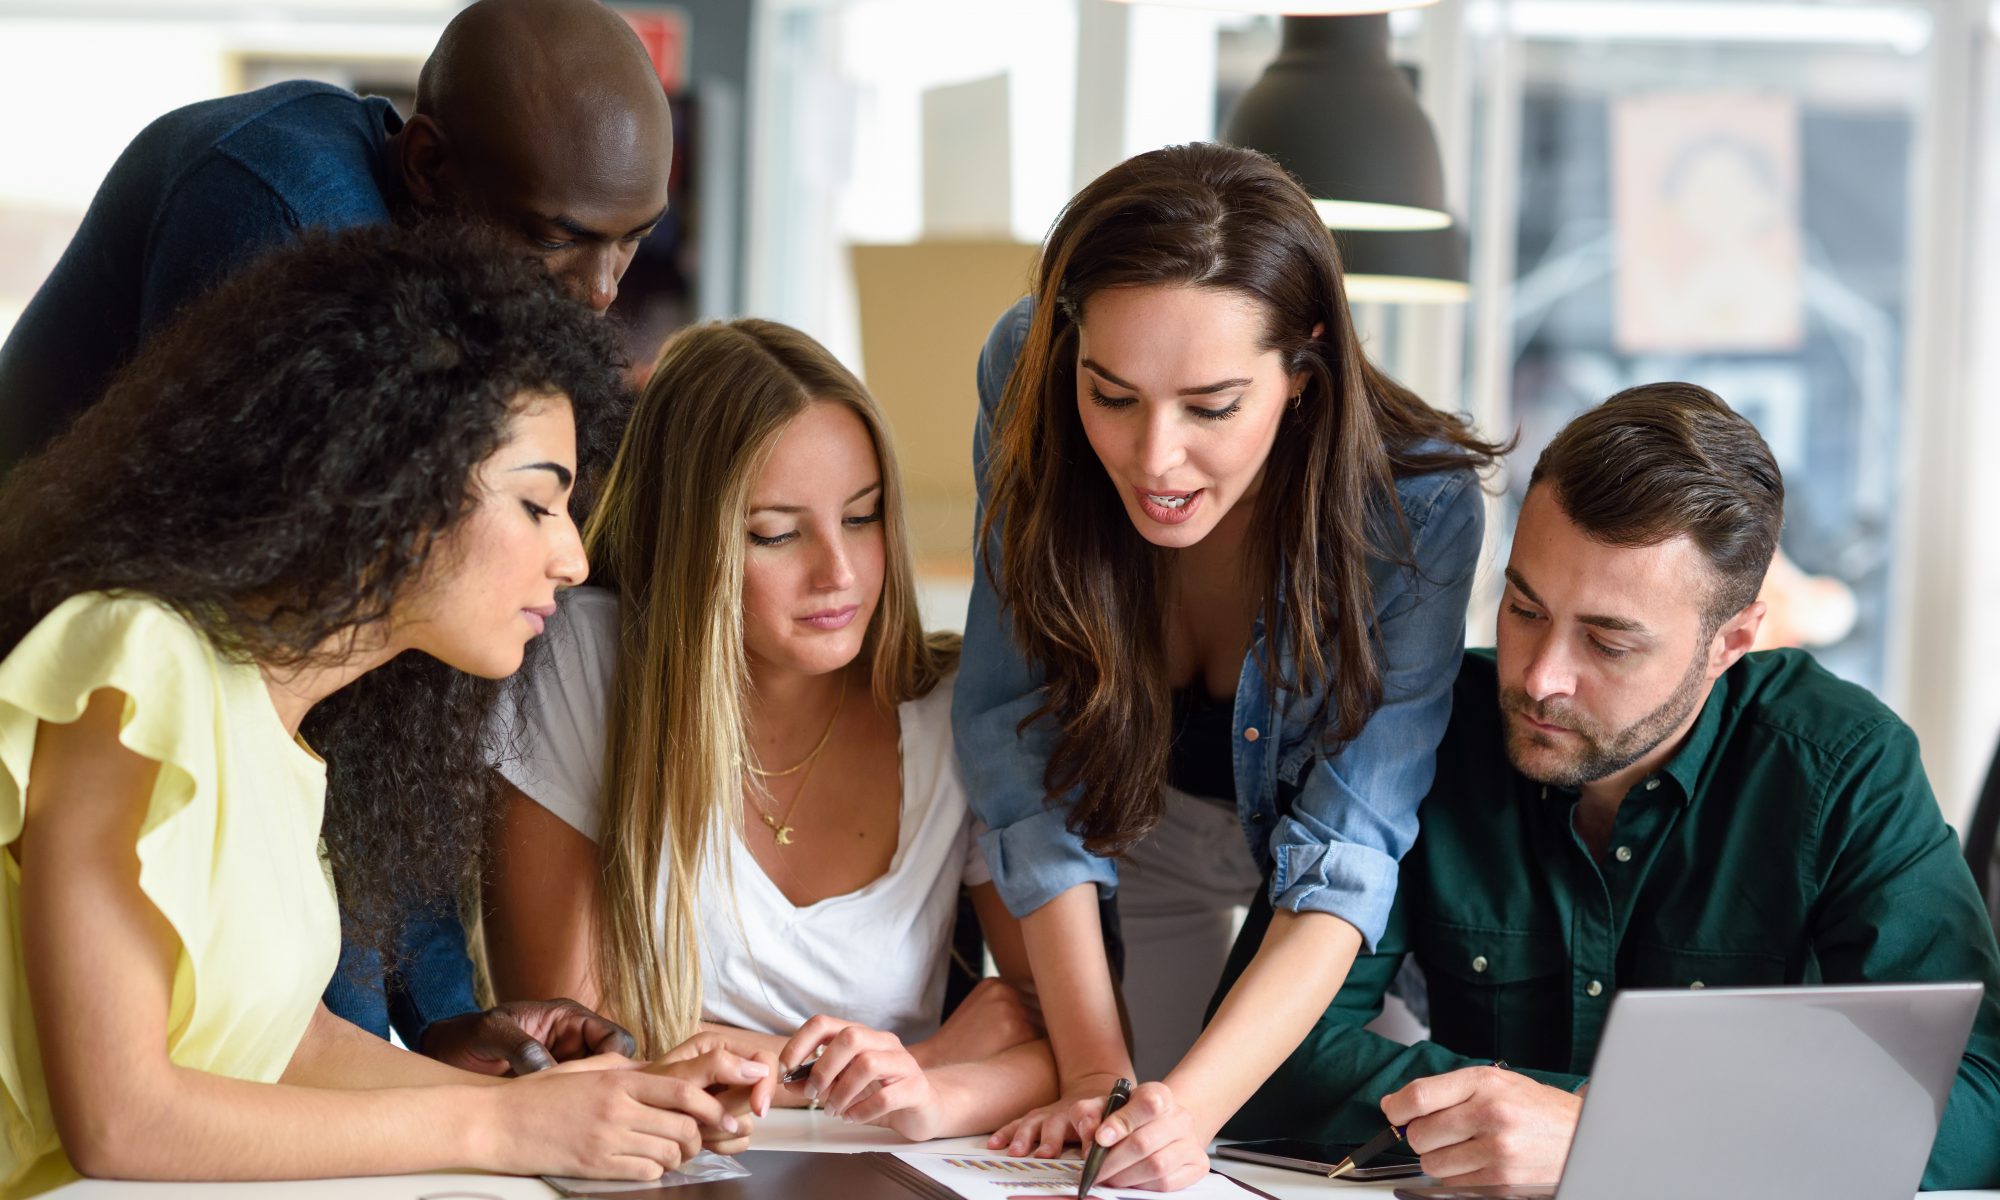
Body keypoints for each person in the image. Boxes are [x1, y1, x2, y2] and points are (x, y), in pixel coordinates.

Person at [0, 223, 778, 1195]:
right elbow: (119, 1119)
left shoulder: (286, 728)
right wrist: (503, 1130)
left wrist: (593, 1105)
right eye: (538, 504)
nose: (574, 559)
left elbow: (280, 1043)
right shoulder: (136, 665)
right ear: (390, 477)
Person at [0, 0, 675, 1063]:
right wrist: (385, 1050)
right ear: (429, 166)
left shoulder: (448, 292)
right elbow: (321, 698)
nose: (596, 295)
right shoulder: (284, 217)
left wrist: (443, 1015)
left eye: (631, 246)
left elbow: (395, 690)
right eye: (557, 238)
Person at [1225, 384, 2000, 1191]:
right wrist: (1546, 1126)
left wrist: (1623, 1138)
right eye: (1524, 608)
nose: (1539, 676)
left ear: (1730, 642)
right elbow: (1262, 1063)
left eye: (1608, 642)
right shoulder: (1428, 734)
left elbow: (1979, 1104)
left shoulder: (1844, 768)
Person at [952, 141, 1504, 1190]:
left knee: (1274, 1152)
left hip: (1310, 887)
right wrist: (1094, 1073)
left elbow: (1343, 858)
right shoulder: (1022, 372)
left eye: (1210, 407)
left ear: (1302, 369)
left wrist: (1186, 1116)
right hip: (1122, 819)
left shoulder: (1416, 505)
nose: (1155, 458)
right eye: (1109, 395)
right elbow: (1014, 732)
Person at [484, 319, 1059, 1141]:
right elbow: (574, 1044)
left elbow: (1055, 1043)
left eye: (862, 518)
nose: (840, 573)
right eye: (776, 534)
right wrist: (916, 1062)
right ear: (690, 542)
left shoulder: (953, 710)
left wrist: (934, 1090)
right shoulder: (581, 662)